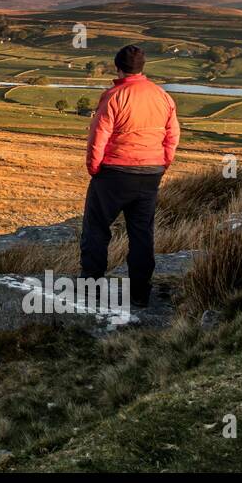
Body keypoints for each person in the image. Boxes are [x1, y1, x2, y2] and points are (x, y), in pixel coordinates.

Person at [79, 45, 180, 307]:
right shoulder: (163, 96)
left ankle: (91, 291)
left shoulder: (114, 96)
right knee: (142, 234)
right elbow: (172, 136)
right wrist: (163, 162)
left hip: (115, 172)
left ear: (117, 67)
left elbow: (98, 136)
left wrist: (94, 167)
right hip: (151, 172)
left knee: (97, 230)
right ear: (143, 66)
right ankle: (139, 295)